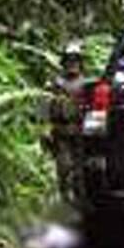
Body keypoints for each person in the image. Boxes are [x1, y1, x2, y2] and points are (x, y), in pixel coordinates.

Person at [45, 41, 88, 204]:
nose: (73, 63)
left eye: (75, 60)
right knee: (63, 166)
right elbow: (44, 106)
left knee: (80, 168)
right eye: (70, 60)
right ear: (64, 62)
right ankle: (64, 195)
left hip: (80, 130)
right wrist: (44, 128)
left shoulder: (86, 83)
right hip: (61, 130)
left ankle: (79, 198)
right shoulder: (56, 83)